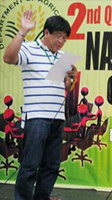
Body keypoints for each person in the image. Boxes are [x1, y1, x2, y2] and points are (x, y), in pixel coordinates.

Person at [3, 10, 78, 200]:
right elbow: (9, 58)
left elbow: (64, 88)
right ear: (46, 33)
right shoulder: (29, 48)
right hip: (36, 117)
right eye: (58, 36)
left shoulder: (62, 57)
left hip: (57, 118)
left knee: (52, 166)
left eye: (64, 38)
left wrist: (70, 81)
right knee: (30, 164)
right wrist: (22, 31)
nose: (61, 41)